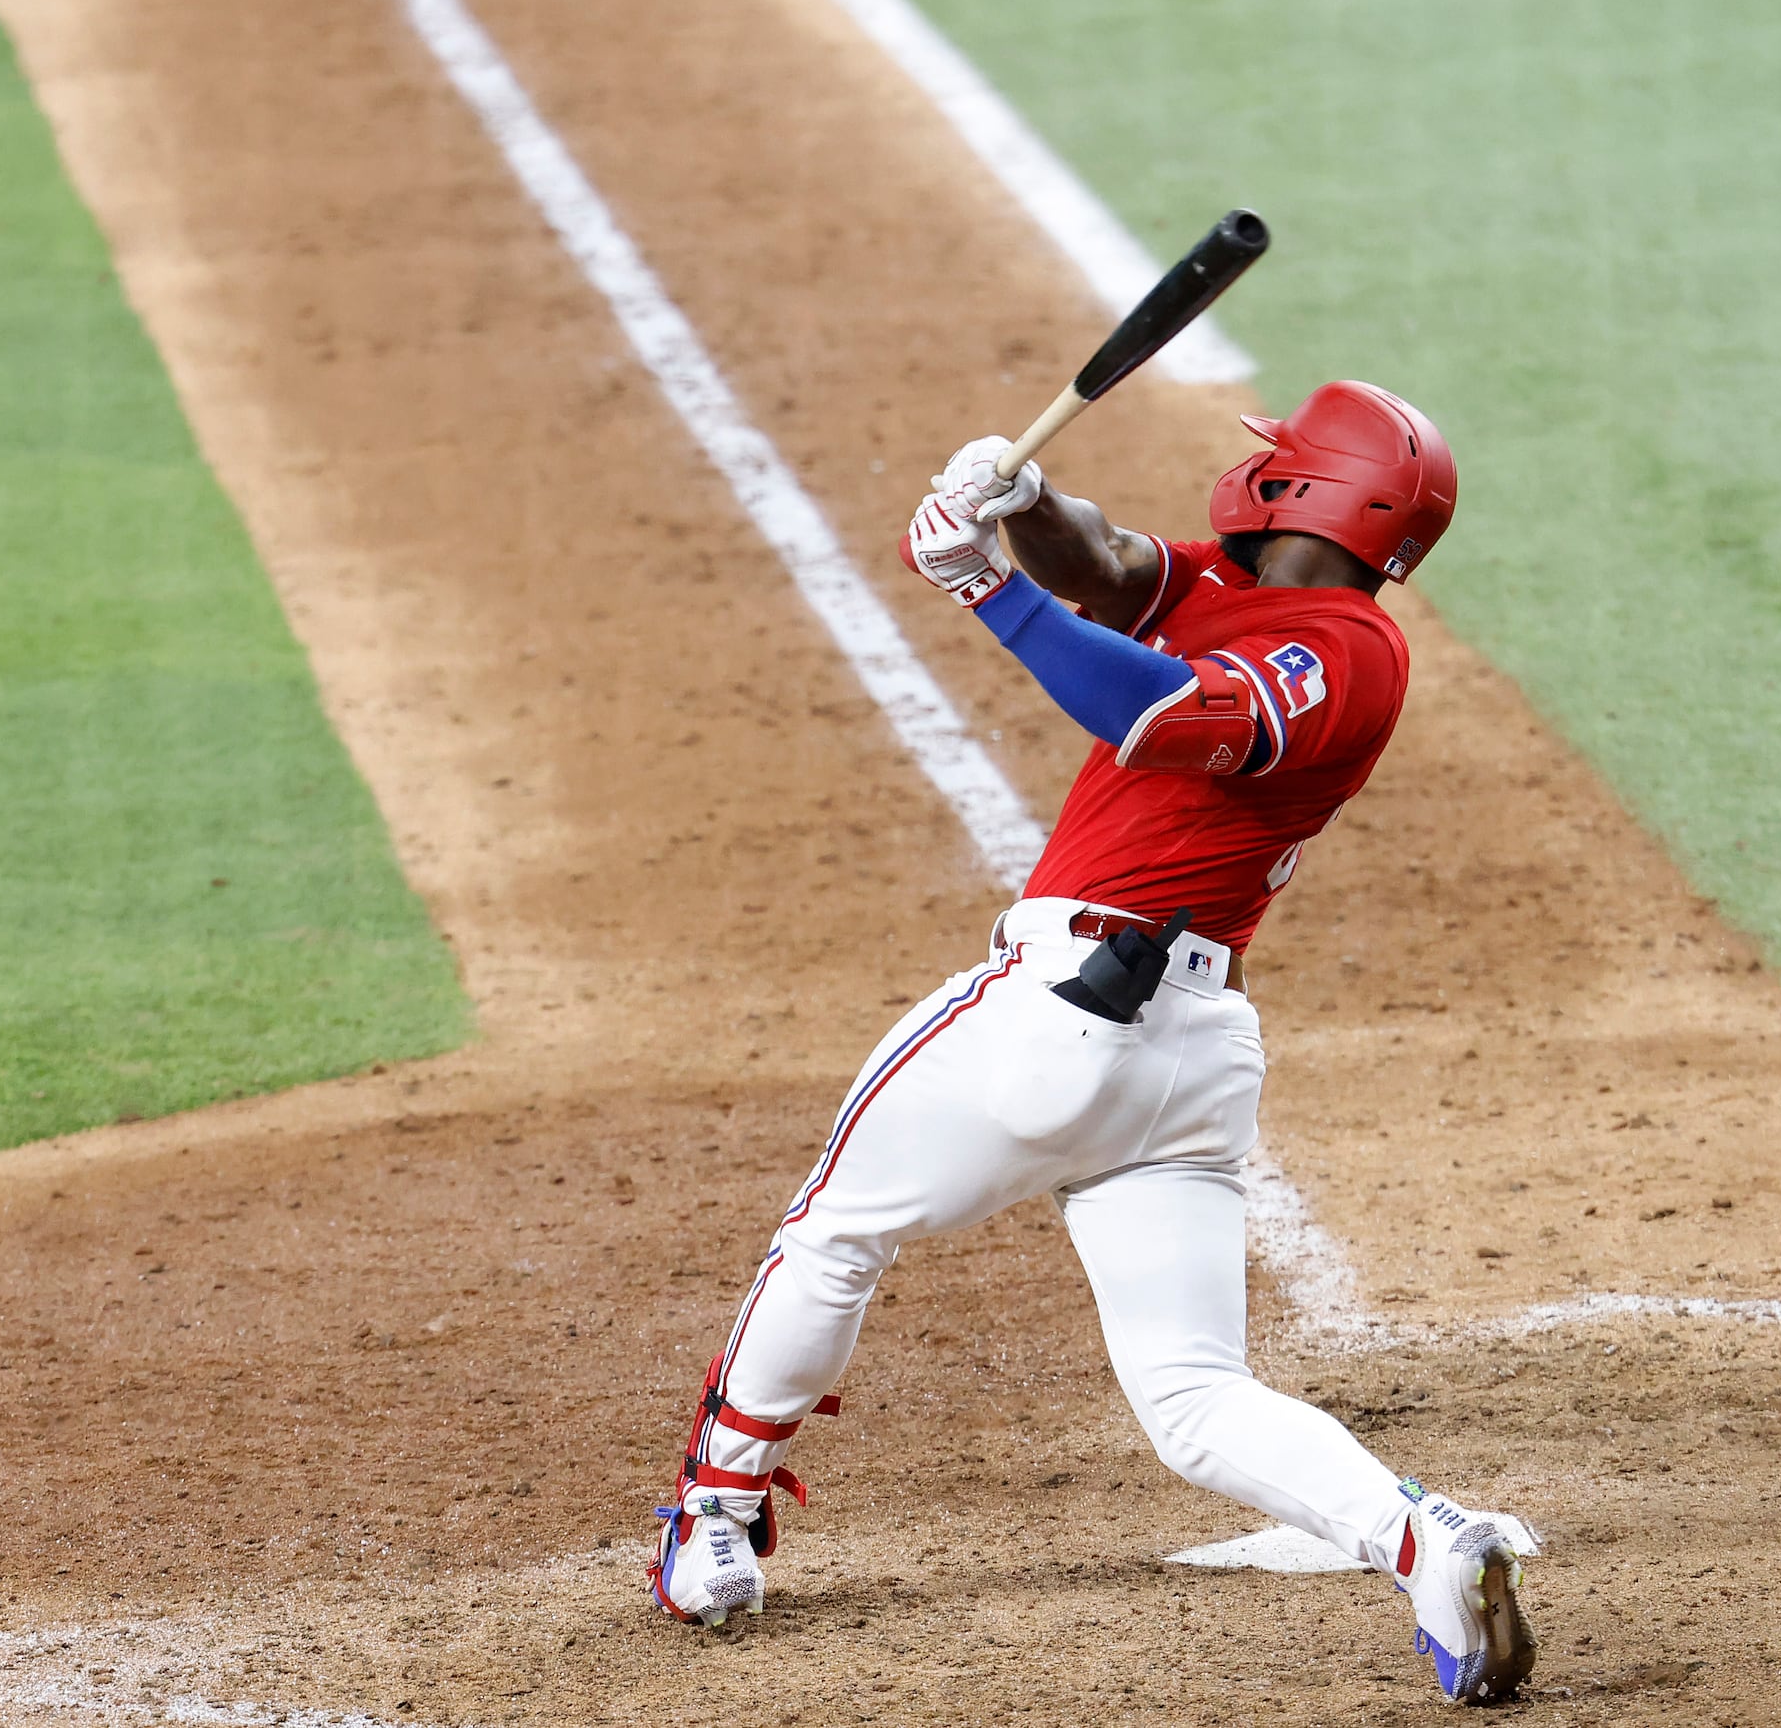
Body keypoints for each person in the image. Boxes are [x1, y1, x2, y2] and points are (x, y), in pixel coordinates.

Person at [647, 381, 1535, 1704]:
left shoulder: (1346, 650)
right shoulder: (1236, 593)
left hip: (1058, 1013)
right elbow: (1118, 564)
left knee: (835, 1230)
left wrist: (983, 594)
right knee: (1191, 1396)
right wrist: (1020, 507)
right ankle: (1423, 1537)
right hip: (1185, 1066)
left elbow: (1162, 716)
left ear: (1299, 487)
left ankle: (715, 1517)